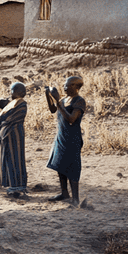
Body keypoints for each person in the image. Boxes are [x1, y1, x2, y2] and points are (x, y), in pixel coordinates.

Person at [46, 76, 87, 207]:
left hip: (72, 138)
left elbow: (71, 119)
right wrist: (48, 96)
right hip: (61, 136)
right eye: (64, 84)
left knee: (73, 167)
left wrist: (58, 101)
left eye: (67, 85)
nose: (64, 87)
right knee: (60, 164)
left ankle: (75, 199)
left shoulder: (79, 101)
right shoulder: (64, 99)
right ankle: (64, 193)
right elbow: (53, 110)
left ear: (76, 87)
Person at [0, 82, 28, 198]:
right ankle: (10, 184)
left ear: (19, 92)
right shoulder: (11, 103)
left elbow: (11, 118)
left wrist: (2, 123)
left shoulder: (22, 104)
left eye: (12, 90)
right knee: (8, 159)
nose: (10, 92)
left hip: (14, 134)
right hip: (6, 134)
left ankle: (17, 186)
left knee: (15, 158)